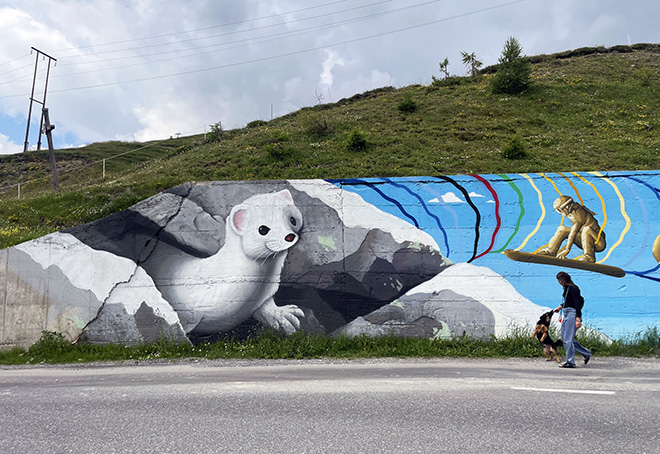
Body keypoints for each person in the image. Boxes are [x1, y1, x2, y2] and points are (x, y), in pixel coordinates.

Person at [553, 271, 591, 368]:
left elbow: (577, 303)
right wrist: (561, 306)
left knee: (568, 340)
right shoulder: (567, 288)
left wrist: (578, 318)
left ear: (564, 280)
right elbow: (569, 301)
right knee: (565, 339)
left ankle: (570, 362)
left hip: (572, 314)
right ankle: (586, 353)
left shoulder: (574, 288)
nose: (559, 282)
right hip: (566, 312)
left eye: (560, 280)